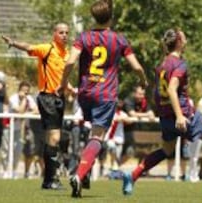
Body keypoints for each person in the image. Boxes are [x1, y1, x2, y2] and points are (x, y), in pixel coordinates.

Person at [121, 28, 202, 198]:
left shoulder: (161, 65)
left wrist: (165, 113)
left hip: (166, 118)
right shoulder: (179, 64)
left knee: (166, 150)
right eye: (183, 37)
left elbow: (157, 92)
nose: (186, 39)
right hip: (184, 116)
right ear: (178, 42)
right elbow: (171, 89)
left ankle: (133, 175)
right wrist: (179, 115)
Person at [57, 0, 148, 198]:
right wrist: (143, 79)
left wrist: (63, 84)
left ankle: (86, 173)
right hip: (105, 95)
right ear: (111, 18)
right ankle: (79, 175)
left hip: (85, 93)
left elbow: (71, 61)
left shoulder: (84, 37)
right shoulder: (119, 39)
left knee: (92, 135)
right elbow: (137, 67)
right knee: (98, 136)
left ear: (93, 17)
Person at [2, 24, 73, 189]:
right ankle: (51, 179)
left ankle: (48, 180)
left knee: (52, 139)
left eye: (67, 33)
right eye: (61, 32)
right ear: (54, 33)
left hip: (59, 98)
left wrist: (69, 88)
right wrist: (13, 43)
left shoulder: (67, 53)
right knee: (54, 137)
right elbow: (28, 47)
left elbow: (62, 77)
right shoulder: (46, 49)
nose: (64, 35)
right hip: (47, 97)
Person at [7, 81, 38, 178]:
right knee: (7, 151)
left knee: (18, 151)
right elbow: (19, 111)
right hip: (9, 128)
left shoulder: (29, 98)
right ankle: (5, 171)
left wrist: (28, 113)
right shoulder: (13, 98)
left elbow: (36, 110)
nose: (25, 93)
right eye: (23, 91)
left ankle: (13, 171)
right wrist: (24, 100)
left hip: (21, 129)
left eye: (27, 92)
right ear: (19, 90)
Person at [122, 85, 155, 165]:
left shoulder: (144, 102)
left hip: (133, 131)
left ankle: (116, 168)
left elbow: (151, 113)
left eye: (143, 94)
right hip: (121, 130)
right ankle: (114, 168)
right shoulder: (128, 100)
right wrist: (147, 115)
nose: (142, 96)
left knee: (131, 151)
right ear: (134, 93)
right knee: (119, 150)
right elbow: (132, 114)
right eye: (140, 94)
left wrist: (150, 114)